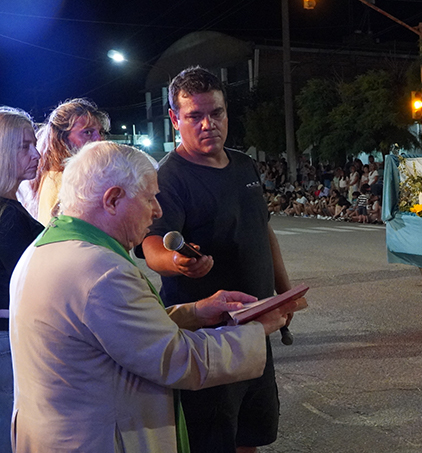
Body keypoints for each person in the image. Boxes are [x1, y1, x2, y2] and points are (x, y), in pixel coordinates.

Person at [9, 141, 304, 452]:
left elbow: (120, 331)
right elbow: (177, 358)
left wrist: (195, 312)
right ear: (113, 200)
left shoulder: (50, 245)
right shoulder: (100, 271)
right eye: (149, 198)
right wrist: (257, 329)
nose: (158, 211)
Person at [140, 67, 297, 453]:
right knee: (213, 436)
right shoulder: (169, 177)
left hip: (257, 325)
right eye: (195, 116)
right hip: (209, 339)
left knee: (252, 432)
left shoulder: (244, 165)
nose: (209, 124)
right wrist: (177, 263)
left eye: (217, 113)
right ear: (176, 119)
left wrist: (285, 290)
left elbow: (263, 230)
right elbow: (152, 245)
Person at [0, 107, 42, 453]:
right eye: (25, 146)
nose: (37, 154)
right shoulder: (9, 216)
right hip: (7, 347)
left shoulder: (11, 207)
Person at [21, 98, 108, 224]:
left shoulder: (56, 175)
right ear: (62, 139)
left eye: (101, 132)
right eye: (87, 132)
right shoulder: (65, 181)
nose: (99, 139)